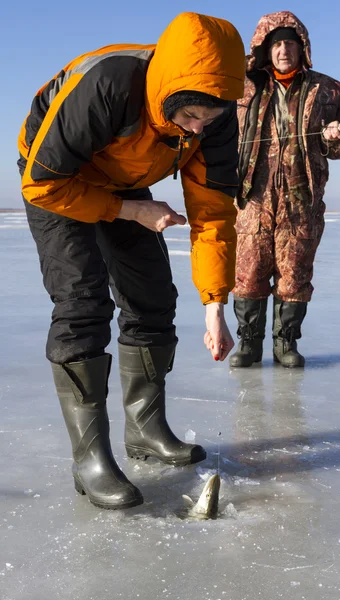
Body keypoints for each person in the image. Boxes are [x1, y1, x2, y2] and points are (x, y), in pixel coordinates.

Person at [17, 12, 245, 509]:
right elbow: (40, 182)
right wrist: (132, 210)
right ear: (168, 95)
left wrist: (215, 304)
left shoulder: (216, 121)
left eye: (210, 118)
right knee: (83, 303)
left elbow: (213, 216)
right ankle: (90, 459)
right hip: (58, 180)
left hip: (122, 182)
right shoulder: (111, 84)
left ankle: (146, 429)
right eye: (190, 117)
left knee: (153, 298)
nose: (199, 127)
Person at [229, 11, 340, 369]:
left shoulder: (327, 89)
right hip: (253, 198)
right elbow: (213, 123)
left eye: (290, 42)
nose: (283, 49)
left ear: (302, 47)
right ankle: (248, 345)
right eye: (276, 43)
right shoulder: (242, 85)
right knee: (249, 271)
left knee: (295, 273)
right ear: (265, 48)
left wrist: (337, 136)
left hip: (302, 200)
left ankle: (285, 344)